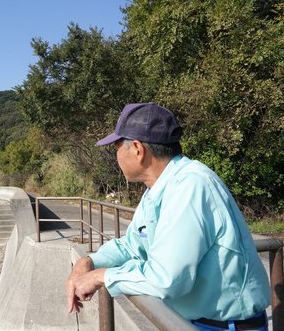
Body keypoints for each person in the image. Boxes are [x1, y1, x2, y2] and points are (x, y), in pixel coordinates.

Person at [65, 102, 271, 330]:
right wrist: (90, 262)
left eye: (116, 147)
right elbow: (133, 245)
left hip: (224, 325)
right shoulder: (158, 188)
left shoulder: (191, 185)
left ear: (137, 149)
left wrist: (101, 276)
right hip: (193, 320)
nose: (116, 156)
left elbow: (167, 279)